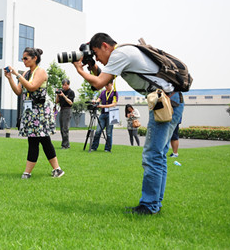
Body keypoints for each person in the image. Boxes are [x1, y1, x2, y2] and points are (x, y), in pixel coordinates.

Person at [72, 33, 184, 215]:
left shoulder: (119, 54)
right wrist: (91, 67)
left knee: (152, 155)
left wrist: (79, 70)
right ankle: (154, 203)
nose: (98, 59)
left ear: (105, 46)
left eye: (96, 54)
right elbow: (104, 78)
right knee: (159, 155)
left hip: (166, 101)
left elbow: (100, 83)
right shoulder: (123, 52)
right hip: (168, 99)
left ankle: (149, 205)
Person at [4, 47, 65, 179]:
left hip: (40, 113)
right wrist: (10, 78)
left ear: (35, 58)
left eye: (26, 58)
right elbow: (19, 91)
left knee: (38, 140)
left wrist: (17, 74)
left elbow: (32, 87)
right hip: (30, 112)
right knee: (40, 140)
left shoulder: (40, 72)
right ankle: (56, 170)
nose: (23, 61)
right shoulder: (26, 73)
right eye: (22, 58)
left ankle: (29, 172)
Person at [91, 81, 118, 152]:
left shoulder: (114, 93)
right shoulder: (103, 92)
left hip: (111, 114)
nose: (106, 86)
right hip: (102, 114)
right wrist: (95, 102)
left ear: (112, 84)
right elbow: (98, 99)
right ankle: (94, 147)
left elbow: (114, 104)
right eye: (105, 85)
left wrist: (103, 106)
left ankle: (107, 148)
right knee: (98, 131)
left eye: (107, 85)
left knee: (109, 133)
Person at [55, 79, 75, 149]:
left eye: (65, 85)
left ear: (68, 85)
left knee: (65, 128)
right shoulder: (61, 91)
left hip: (67, 109)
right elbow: (56, 101)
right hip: (62, 109)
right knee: (61, 128)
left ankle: (65, 145)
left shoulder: (71, 92)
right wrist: (57, 94)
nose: (64, 86)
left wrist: (63, 96)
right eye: (63, 85)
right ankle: (66, 144)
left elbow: (71, 102)